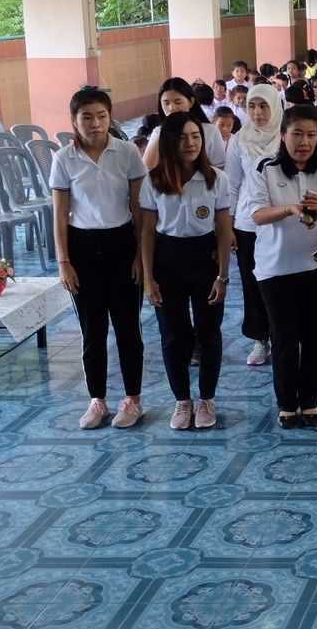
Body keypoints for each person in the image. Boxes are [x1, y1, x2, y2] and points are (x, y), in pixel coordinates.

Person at [239, 106, 317, 429]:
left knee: (315, 336)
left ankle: (310, 400)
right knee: (284, 337)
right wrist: (289, 209)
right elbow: (257, 214)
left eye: (311, 134)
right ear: (283, 135)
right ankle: (287, 403)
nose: (304, 142)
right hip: (275, 268)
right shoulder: (265, 168)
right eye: (297, 134)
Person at [50, 87, 148, 430]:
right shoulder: (64, 158)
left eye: (102, 116)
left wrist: (140, 256)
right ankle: (97, 400)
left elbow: (139, 209)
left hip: (122, 244)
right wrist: (64, 262)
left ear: (110, 117)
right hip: (82, 248)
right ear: (74, 121)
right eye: (87, 117)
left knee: (128, 329)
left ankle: (132, 399)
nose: (95, 123)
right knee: (92, 331)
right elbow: (59, 214)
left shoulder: (127, 153)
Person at [139, 111, 232, 430]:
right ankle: (182, 400)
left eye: (195, 136)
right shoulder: (154, 180)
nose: (190, 143)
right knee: (172, 335)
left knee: (209, 333)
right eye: (182, 138)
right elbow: (147, 232)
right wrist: (149, 278)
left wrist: (223, 275)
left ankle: (206, 398)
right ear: (169, 142)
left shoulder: (216, 179)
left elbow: (223, 229)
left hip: (205, 259)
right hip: (167, 261)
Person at [226, 83, 282, 367]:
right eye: (252, 106)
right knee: (253, 283)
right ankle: (260, 338)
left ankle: (283, 336)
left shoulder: (286, 136)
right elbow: (232, 184)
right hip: (248, 224)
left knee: (281, 282)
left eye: (263, 106)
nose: (257, 113)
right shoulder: (239, 140)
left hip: (281, 220)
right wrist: (229, 226)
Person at [143, 77, 226, 169]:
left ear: (191, 102)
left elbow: (220, 166)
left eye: (177, 102)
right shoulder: (159, 132)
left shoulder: (210, 131)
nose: (171, 108)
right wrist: (162, 131)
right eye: (166, 103)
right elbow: (147, 168)